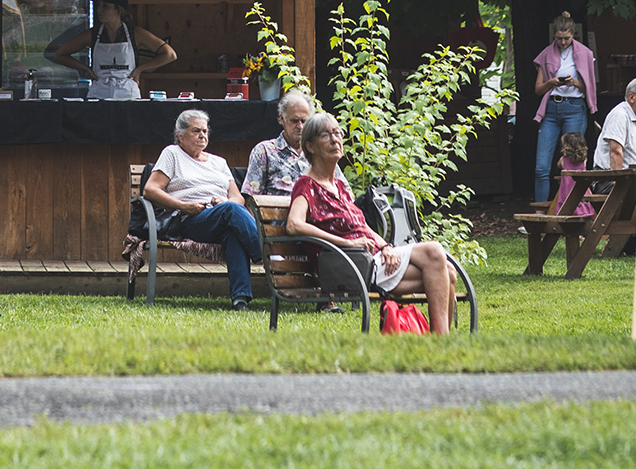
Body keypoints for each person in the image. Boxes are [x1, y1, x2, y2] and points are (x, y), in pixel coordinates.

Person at [287, 111, 460, 333]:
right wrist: (346, 243)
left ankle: (440, 344)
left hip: (372, 258)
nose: (335, 139)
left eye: (337, 133)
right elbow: (294, 224)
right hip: (353, 263)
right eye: (325, 135)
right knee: (435, 251)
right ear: (310, 147)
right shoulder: (306, 185)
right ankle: (443, 342)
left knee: (448, 272)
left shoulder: (339, 187)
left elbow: (363, 227)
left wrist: (386, 246)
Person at [142, 109, 263, 310]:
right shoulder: (172, 154)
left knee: (232, 227)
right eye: (196, 131)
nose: (202, 136)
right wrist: (183, 206)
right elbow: (150, 190)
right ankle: (265, 255)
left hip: (222, 216)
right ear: (180, 135)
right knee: (231, 210)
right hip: (190, 219)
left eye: (205, 131)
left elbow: (237, 197)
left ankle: (240, 299)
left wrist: (223, 201)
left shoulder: (219, 162)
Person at [51, 0, 178, 100]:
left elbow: (170, 54)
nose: (99, 9)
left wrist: (140, 69)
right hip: (99, 92)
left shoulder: (135, 33)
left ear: (118, 10)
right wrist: (86, 69)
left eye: (105, 6)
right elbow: (60, 54)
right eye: (99, 5)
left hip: (127, 93)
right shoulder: (92, 35)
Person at [532, 12, 597, 203]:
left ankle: (573, 207)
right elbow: (537, 89)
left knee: (573, 161)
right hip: (551, 108)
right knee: (541, 167)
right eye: (558, 38)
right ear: (554, 36)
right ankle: (540, 212)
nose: (562, 42)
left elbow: (590, 88)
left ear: (573, 35)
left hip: (574, 108)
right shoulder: (546, 54)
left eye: (566, 38)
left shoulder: (584, 53)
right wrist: (552, 82)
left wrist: (575, 83)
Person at [242, 90, 314, 196]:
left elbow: (344, 190)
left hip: (315, 211)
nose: (300, 126)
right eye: (294, 120)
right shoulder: (264, 151)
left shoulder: (319, 152)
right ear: (282, 118)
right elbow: (250, 198)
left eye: (304, 121)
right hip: (276, 210)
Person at [594, 78, 636, 171]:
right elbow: (615, 152)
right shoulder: (619, 115)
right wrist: (618, 183)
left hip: (635, 176)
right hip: (609, 177)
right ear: (631, 97)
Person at [550, 131, 595, 216]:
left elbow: (559, 166)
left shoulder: (563, 160)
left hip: (567, 190)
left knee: (566, 201)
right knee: (582, 198)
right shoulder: (583, 160)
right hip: (580, 189)